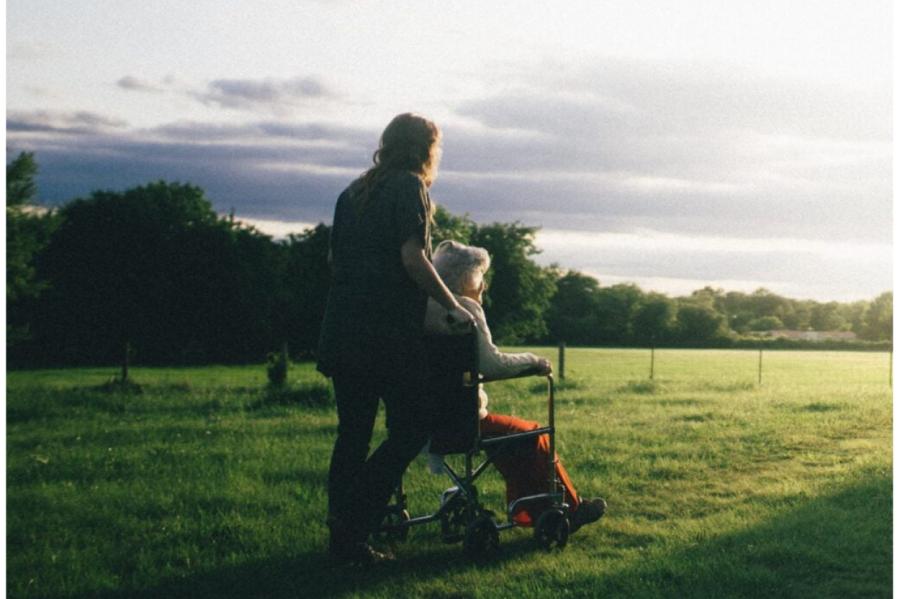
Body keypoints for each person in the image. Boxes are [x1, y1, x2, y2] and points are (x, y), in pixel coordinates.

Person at [317, 114, 474, 564]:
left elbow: (335, 260)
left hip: (342, 329)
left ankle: (342, 539)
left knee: (353, 434)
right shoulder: (409, 187)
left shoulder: (353, 193)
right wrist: (452, 305)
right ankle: (353, 521)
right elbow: (413, 258)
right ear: (426, 149)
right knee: (412, 428)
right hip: (383, 336)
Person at [424, 240, 606, 531]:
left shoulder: (422, 308)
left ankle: (530, 511)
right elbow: (492, 365)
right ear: (465, 279)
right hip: (462, 421)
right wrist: (534, 361)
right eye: (481, 277)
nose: (484, 286)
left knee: (512, 438)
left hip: (423, 420)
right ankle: (570, 508)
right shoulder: (464, 310)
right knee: (532, 434)